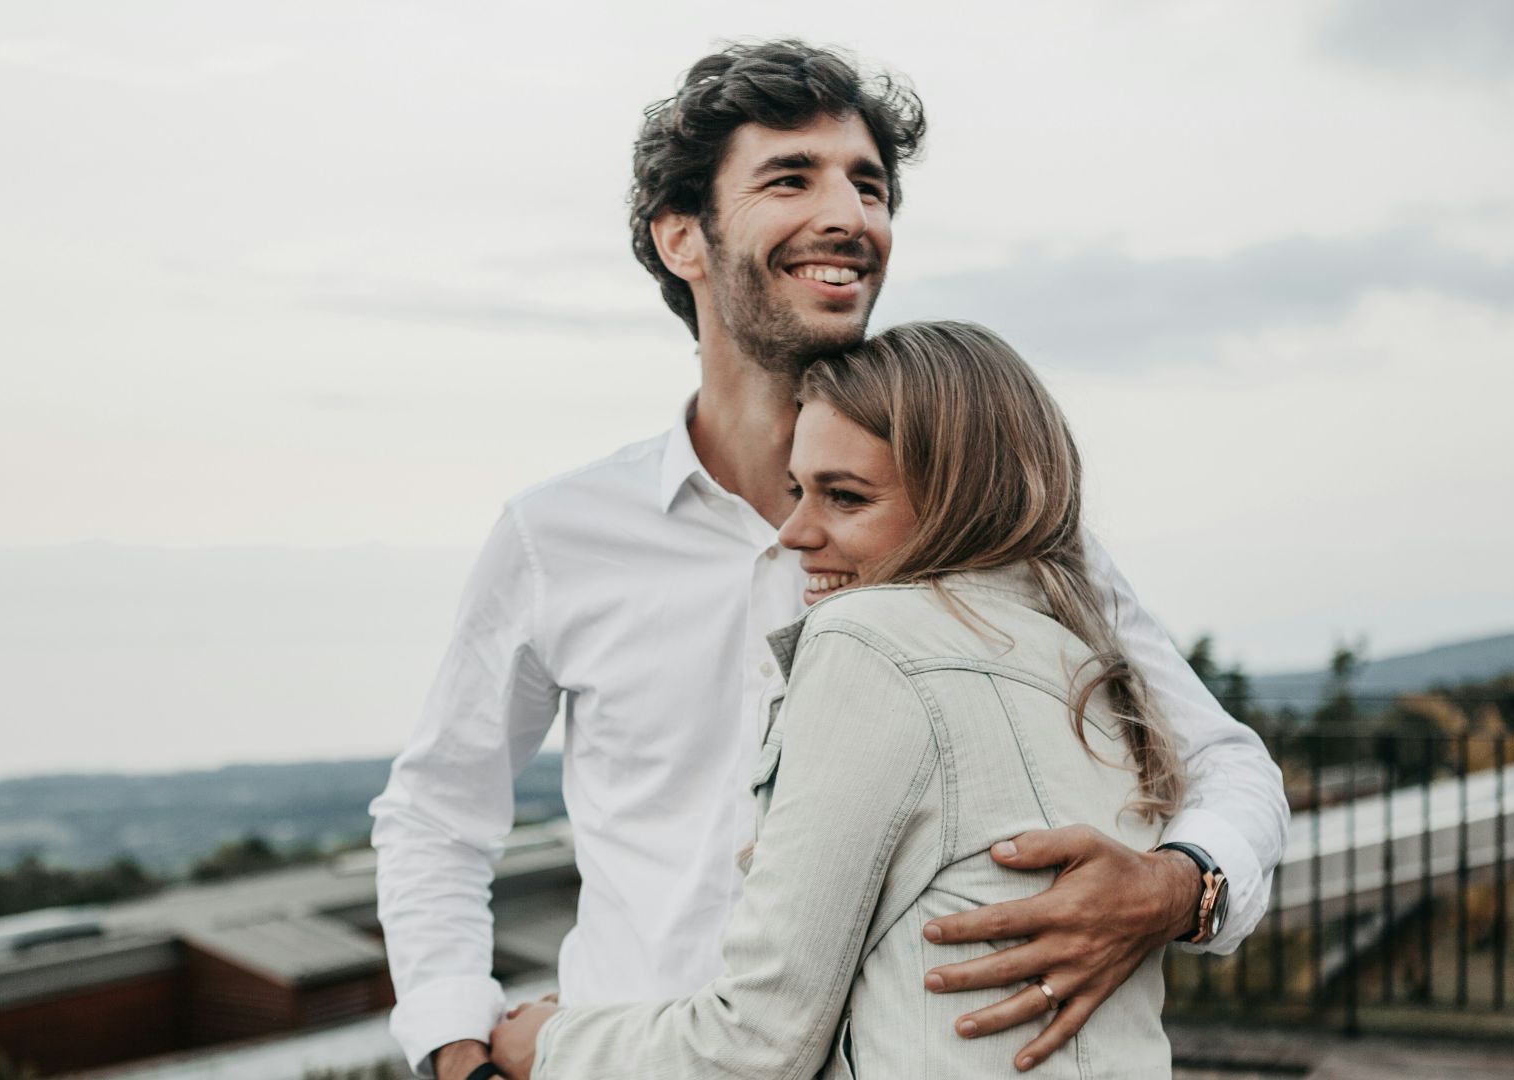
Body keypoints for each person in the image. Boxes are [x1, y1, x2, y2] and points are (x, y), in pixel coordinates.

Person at [369, 40, 1288, 1080]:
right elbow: (437, 815)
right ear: (684, 237)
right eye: (790, 177)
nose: (851, 215)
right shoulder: (557, 535)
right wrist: (455, 1046)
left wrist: (1181, 886)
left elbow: (1224, 762)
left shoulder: (997, 521)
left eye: (870, 184)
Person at [486, 321, 1193, 1079]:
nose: (794, 532)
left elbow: (758, 1044)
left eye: (845, 498)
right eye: (799, 489)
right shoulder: (1090, 662)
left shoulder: (867, 640)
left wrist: (547, 1046)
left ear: (960, 500)